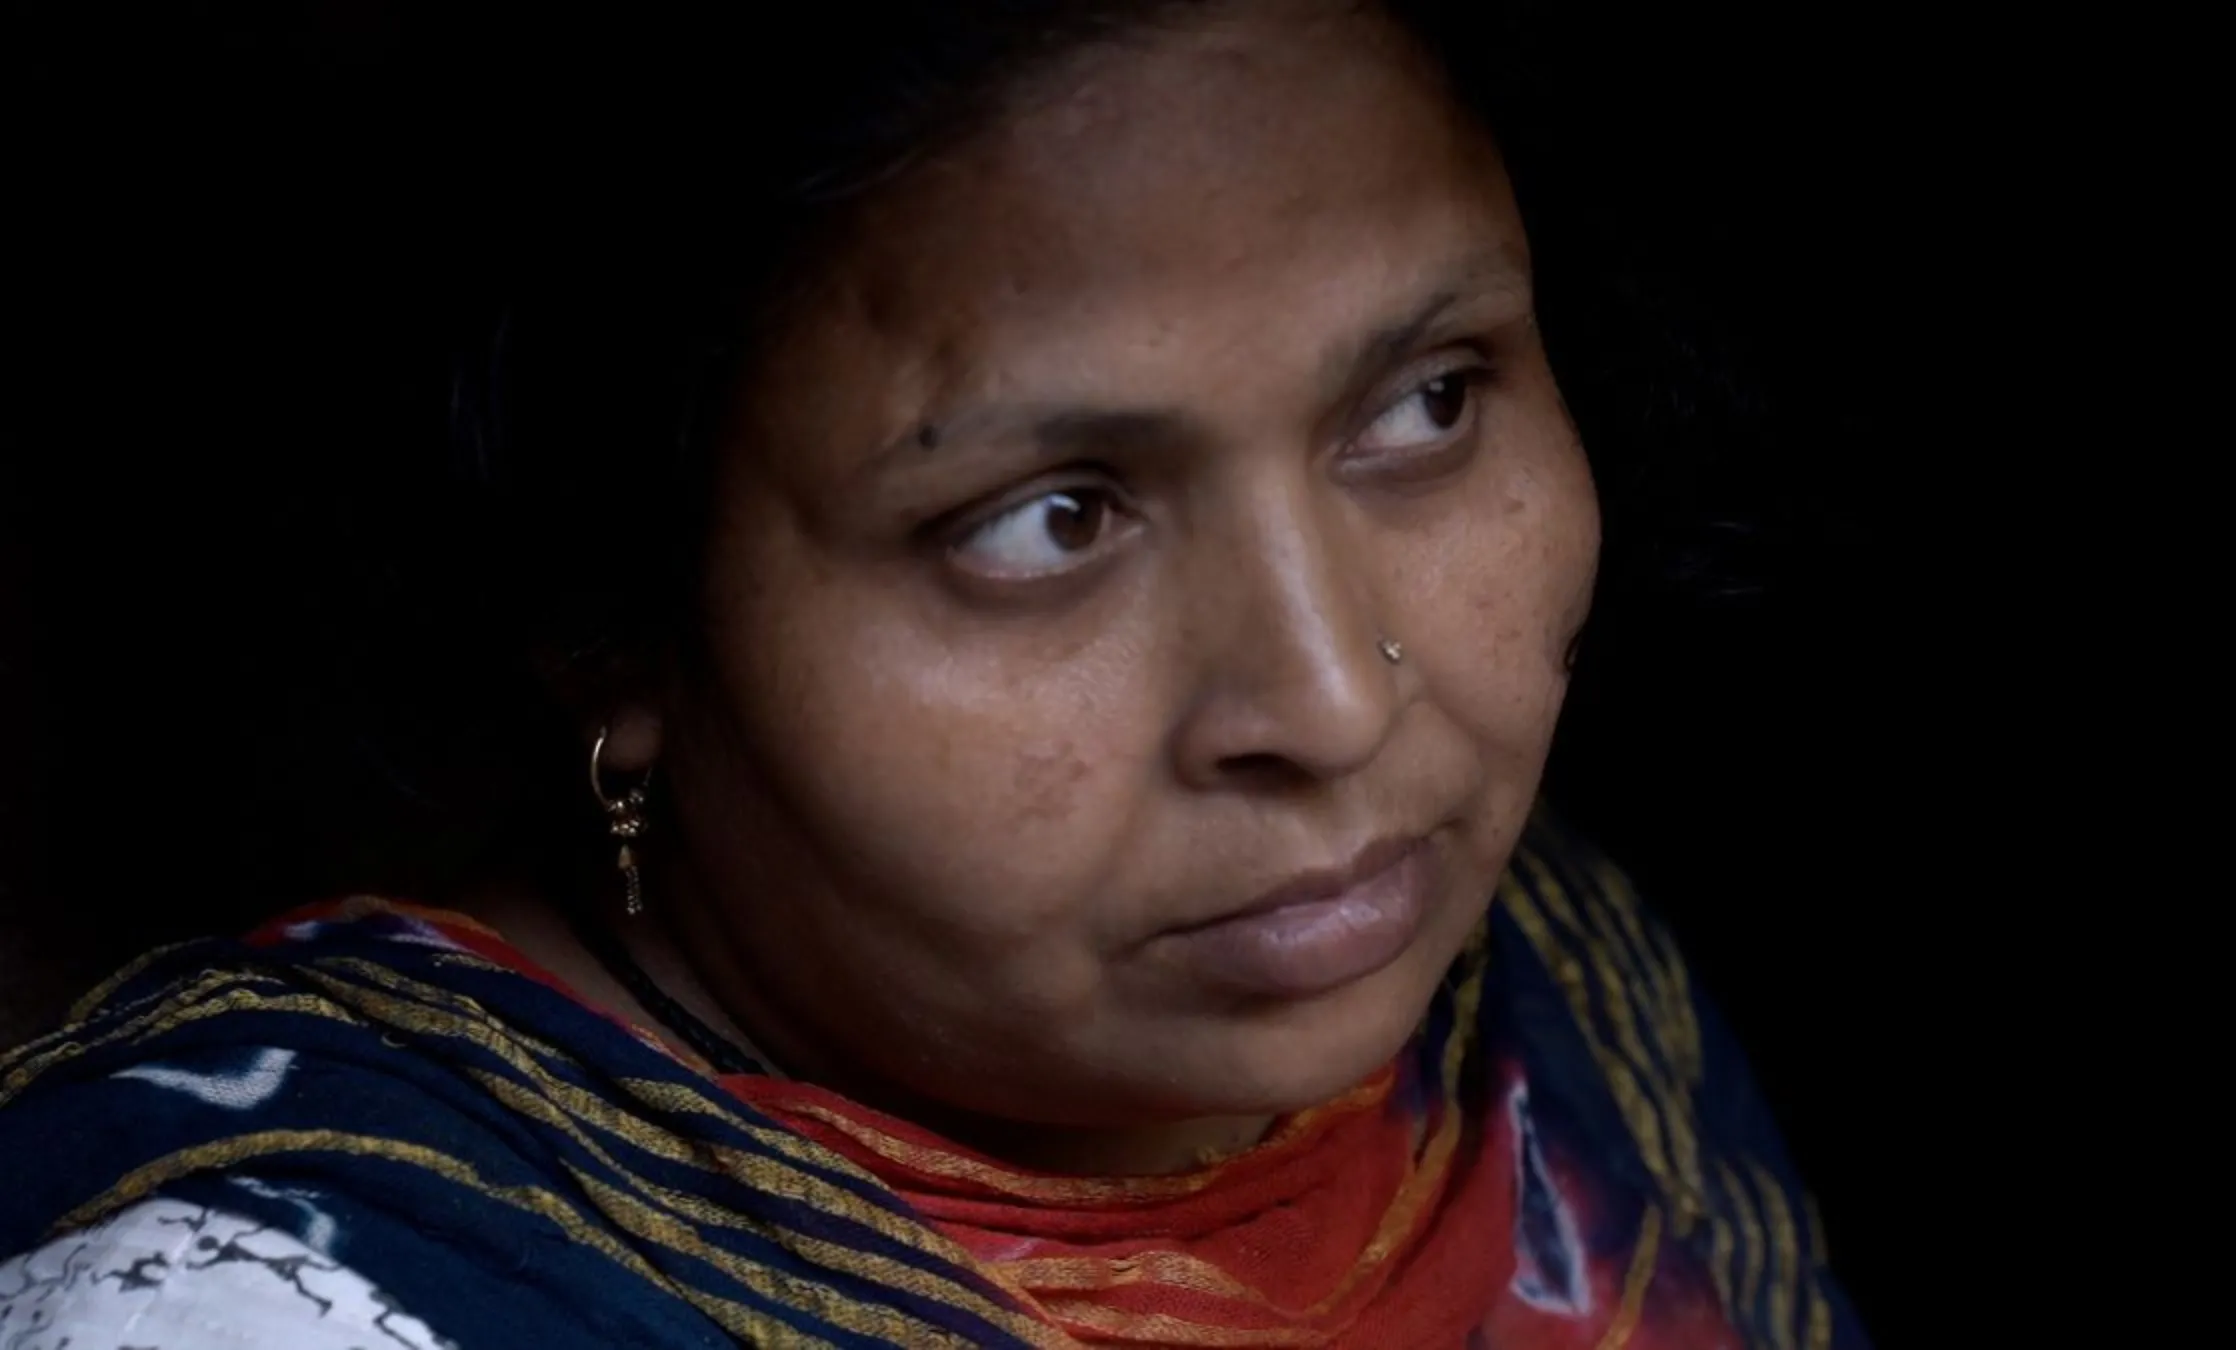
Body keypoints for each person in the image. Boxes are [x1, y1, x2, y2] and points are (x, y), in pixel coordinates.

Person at [0, 2, 1867, 1344]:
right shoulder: (286, 1299)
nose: (1336, 703)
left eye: (1428, 401)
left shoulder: (1555, 1004)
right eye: (1048, 521)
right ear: (608, 607)